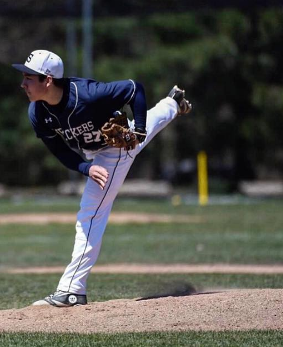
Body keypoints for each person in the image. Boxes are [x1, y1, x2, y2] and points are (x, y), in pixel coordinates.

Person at [12, 49, 192, 307]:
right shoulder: (38, 113)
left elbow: (134, 89)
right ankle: (173, 103)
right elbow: (59, 151)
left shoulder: (87, 94)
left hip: (115, 150)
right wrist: (86, 168)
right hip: (97, 151)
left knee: (90, 213)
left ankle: (72, 290)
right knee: (148, 122)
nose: (23, 83)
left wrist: (138, 130)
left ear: (47, 80)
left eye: (29, 78)